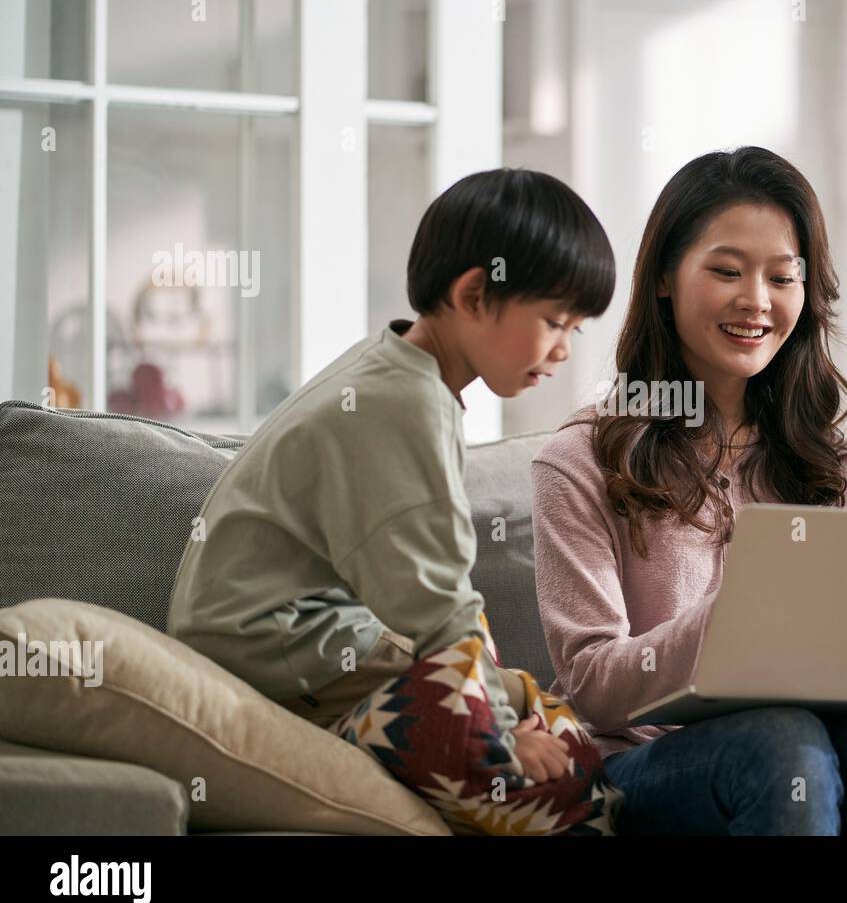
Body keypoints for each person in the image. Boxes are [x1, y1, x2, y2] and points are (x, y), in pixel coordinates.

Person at [169, 168, 623, 834]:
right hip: (276, 670)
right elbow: (436, 606)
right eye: (554, 321)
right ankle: (385, 734)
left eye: (575, 329)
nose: (561, 350)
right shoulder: (401, 403)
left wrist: (508, 703)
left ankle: (447, 725)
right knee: (577, 786)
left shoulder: (398, 371)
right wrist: (500, 733)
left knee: (560, 729)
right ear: (473, 294)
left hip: (321, 656)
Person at [531, 146, 847, 835]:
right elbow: (592, 686)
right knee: (780, 739)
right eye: (727, 271)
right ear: (666, 278)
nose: (756, 302)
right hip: (642, 763)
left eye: (782, 277)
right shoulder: (581, 458)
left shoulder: (823, 460)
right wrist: (737, 618)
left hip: (803, 739)